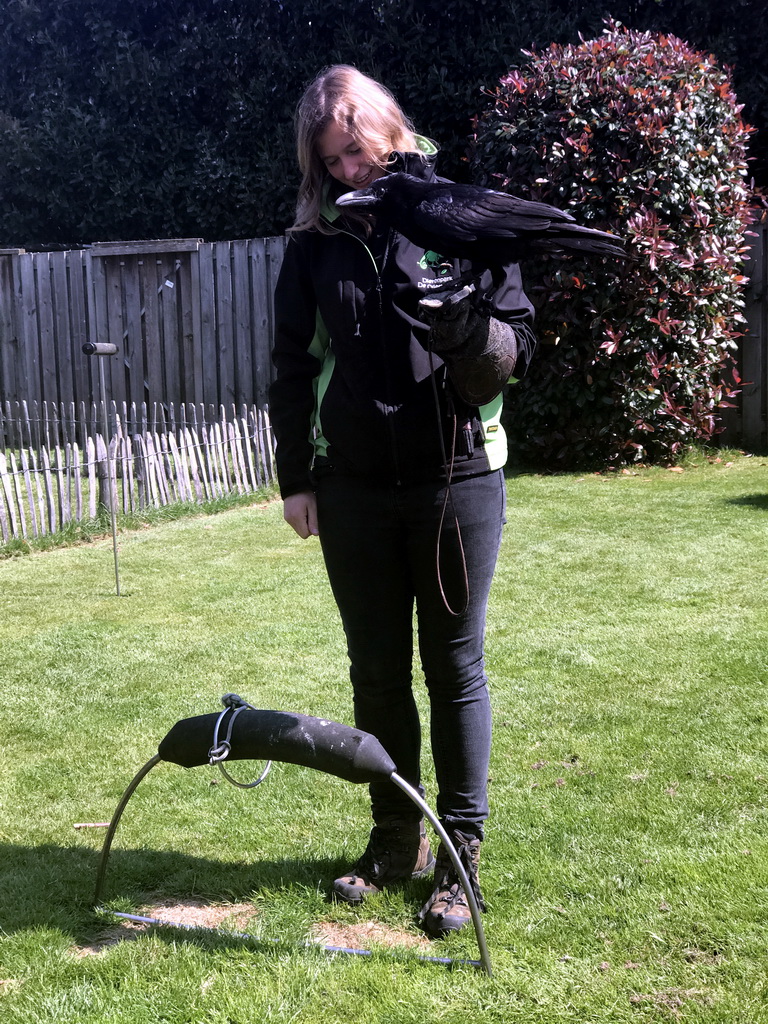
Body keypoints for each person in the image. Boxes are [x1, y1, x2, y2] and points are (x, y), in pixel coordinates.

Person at [269, 65, 536, 938]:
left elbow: (516, 343)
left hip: (456, 480)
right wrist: (297, 479)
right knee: (375, 671)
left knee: (453, 669)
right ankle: (395, 840)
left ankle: (460, 854)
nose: (350, 171)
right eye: (331, 162)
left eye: (357, 150)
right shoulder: (314, 243)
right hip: (349, 488)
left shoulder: (460, 214)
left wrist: (466, 332)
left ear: (390, 128)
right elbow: (294, 366)